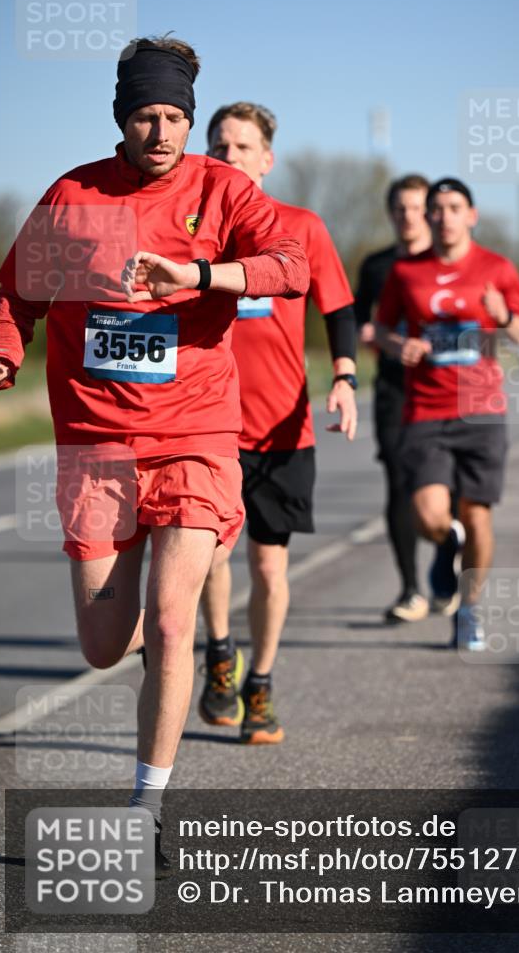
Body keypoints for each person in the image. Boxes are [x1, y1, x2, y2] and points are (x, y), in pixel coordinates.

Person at [0, 39, 309, 868]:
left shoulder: (221, 187)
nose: (160, 132)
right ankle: (131, 656)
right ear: (121, 118)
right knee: (104, 643)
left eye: (173, 118)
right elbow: (20, 287)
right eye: (144, 116)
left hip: (197, 434)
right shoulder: (75, 193)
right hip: (97, 441)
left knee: (172, 620)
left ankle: (148, 803)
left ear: (190, 120)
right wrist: (2, 347)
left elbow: (289, 264)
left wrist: (200, 276)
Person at [199, 102, 357, 744]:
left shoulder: (301, 227)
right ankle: (217, 656)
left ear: (266, 159)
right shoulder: (193, 236)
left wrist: (344, 378)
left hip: (283, 429)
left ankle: (258, 684)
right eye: (219, 145)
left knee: (268, 568)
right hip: (207, 426)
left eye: (242, 146)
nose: (229, 155)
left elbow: (338, 309)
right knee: (206, 553)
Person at [375, 178, 519, 649]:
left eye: (454, 207)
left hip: (482, 409)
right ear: (427, 217)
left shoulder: (497, 268)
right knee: (428, 514)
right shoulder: (406, 273)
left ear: (472, 214)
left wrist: (503, 315)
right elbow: (380, 328)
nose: (444, 216)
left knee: (478, 515)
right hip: (426, 407)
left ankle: (468, 610)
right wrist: (398, 344)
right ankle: (446, 542)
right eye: (437, 209)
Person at [355, 174, 438, 623]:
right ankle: (410, 588)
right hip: (393, 388)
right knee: (400, 484)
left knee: (444, 492)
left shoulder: (445, 262)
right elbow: (356, 318)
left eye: (417, 207)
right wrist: (377, 338)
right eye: (400, 208)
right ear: (390, 213)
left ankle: (449, 562)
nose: (408, 216)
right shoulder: (377, 266)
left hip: (445, 389)